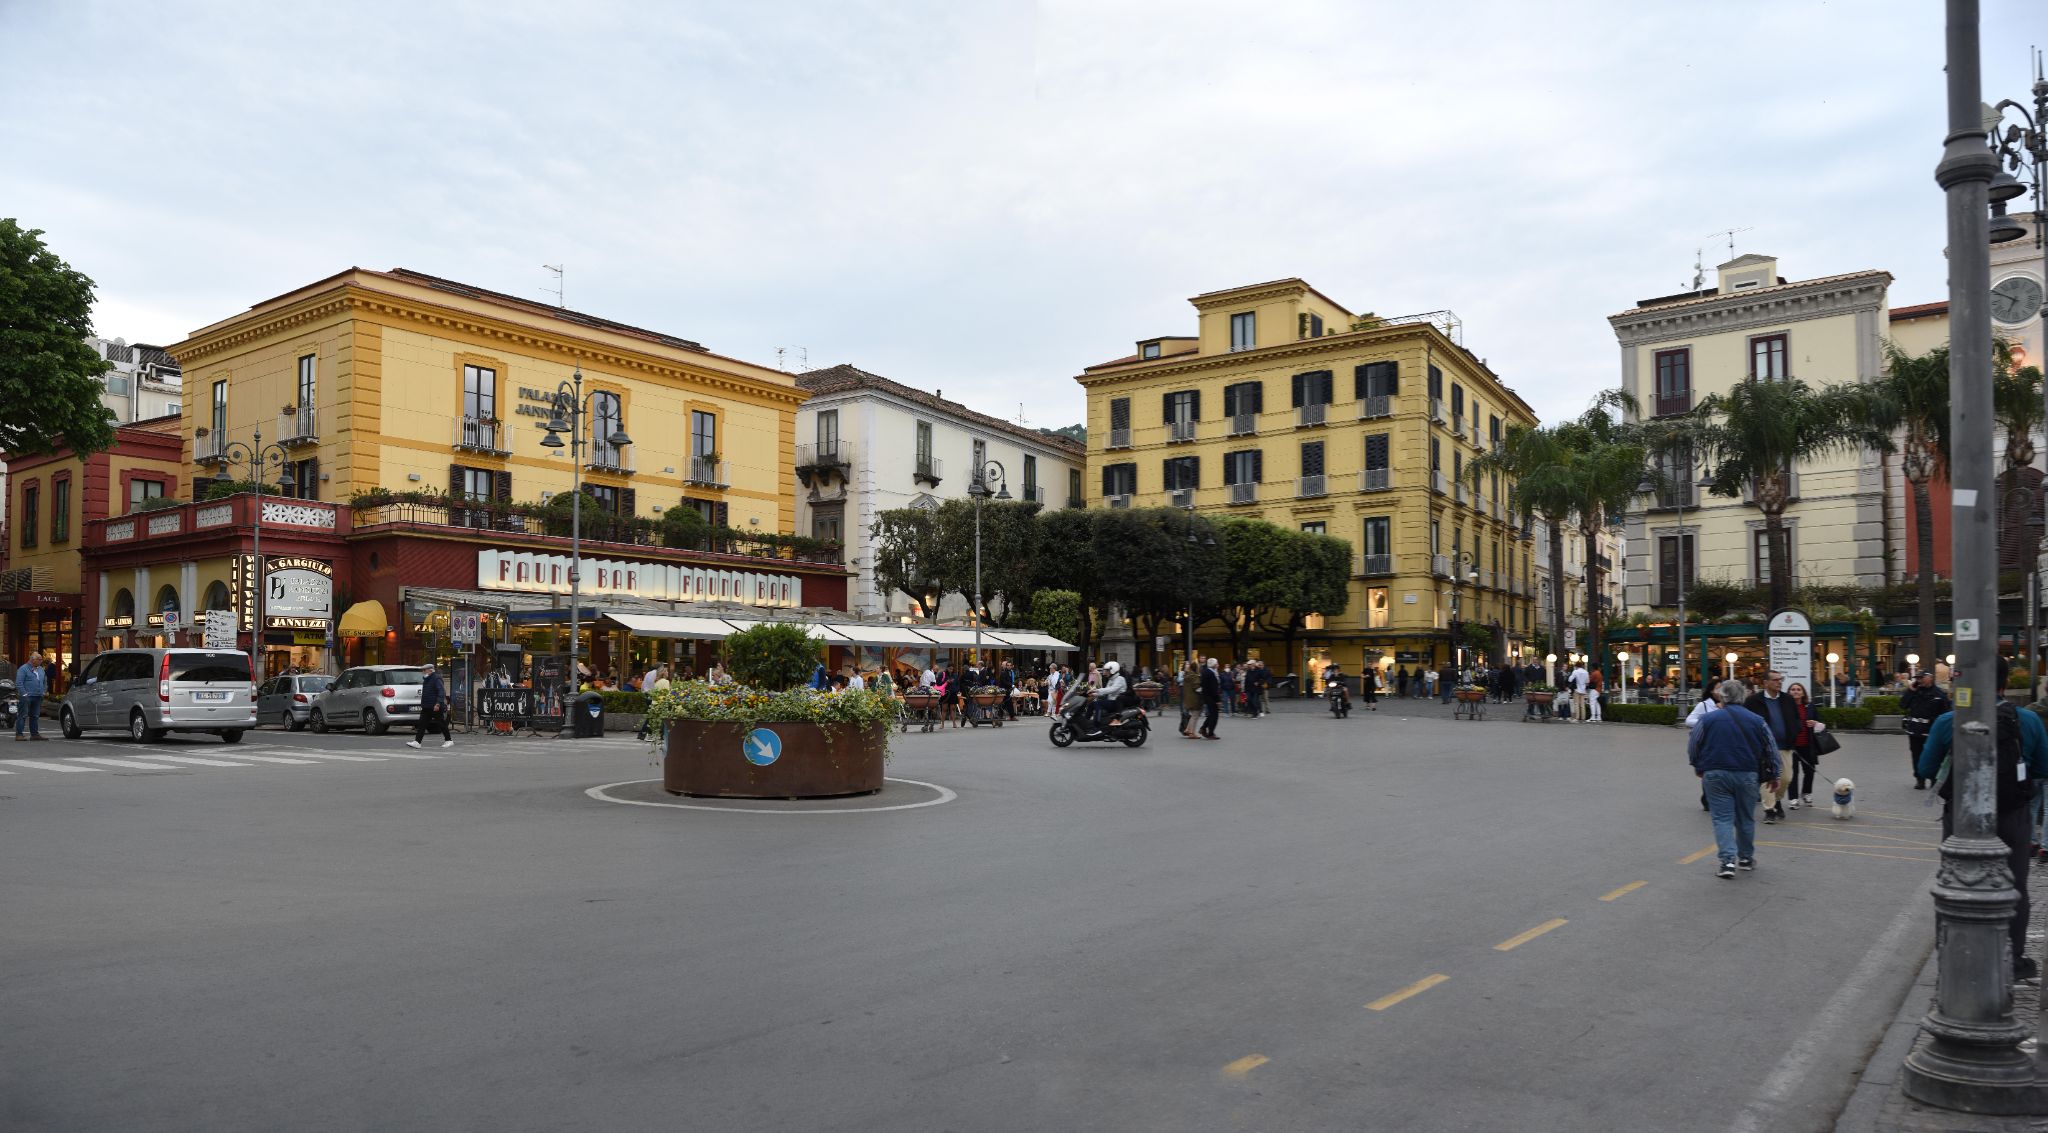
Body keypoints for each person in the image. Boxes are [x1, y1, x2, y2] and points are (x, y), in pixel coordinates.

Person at [1917, 691, 2048, 981]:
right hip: (2013, 814)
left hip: (1962, 816)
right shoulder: (2028, 719)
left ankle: (1952, 961)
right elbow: (2043, 767)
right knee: (2016, 884)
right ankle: (2013, 959)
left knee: (1954, 883)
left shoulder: (1949, 721)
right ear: (2003, 683)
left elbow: (1925, 768)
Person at [1690, 679, 1778, 879]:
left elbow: (1694, 743)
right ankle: (1745, 859)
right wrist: (1774, 774)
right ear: (1743, 696)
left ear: (1722, 696)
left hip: (1715, 773)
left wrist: (1698, 765)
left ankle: (1727, 862)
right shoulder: (1757, 720)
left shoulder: (1708, 719)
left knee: (1722, 818)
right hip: (1747, 773)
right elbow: (1771, 748)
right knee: (1745, 818)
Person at [1743, 671, 1801, 822]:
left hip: (1785, 746)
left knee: (1786, 778)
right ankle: (1769, 810)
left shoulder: (1788, 699)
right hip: (1764, 748)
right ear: (1765, 683)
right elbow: (1745, 722)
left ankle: (1777, 800)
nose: (1779, 682)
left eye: (1780, 679)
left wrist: (1794, 733)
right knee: (1767, 778)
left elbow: (1796, 719)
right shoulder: (1753, 701)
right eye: (1775, 680)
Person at [1902, 670, 1952, 790]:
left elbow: (1946, 712)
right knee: (1916, 755)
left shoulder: (1939, 694)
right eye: (1918, 678)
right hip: (1915, 730)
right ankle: (1920, 780)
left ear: (1930, 678)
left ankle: (1934, 779)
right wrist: (1910, 691)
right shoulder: (1914, 691)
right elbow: (1903, 705)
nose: (1919, 680)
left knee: (1934, 755)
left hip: (1931, 730)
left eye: (1922, 678)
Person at [1784, 682, 1822, 810]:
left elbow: (1820, 723)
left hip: (1808, 744)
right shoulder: (1785, 707)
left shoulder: (1810, 707)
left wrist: (1815, 723)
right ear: (1789, 692)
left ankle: (1806, 793)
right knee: (1792, 773)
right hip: (1792, 746)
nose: (1795, 691)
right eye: (1793, 689)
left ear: (1803, 693)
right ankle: (1793, 798)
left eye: (1798, 689)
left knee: (1810, 771)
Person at [408, 661, 453, 749]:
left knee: (441, 723)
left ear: (430, 670)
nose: (423, 672)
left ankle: (449, 740)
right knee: (422, 724)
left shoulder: (436, 678)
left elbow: (441, 691)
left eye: (424, 670)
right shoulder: (427, 679)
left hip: (434, 706)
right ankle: (417, 742)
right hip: (427, 706)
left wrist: (438, 704)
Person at [14, 652, 48, 741]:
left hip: (38, 696)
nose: (41, 661)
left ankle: (34, 734)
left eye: (41, 659)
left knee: (35, 716)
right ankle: (19, 734)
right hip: (27, 696)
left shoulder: (41, 669)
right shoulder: (23, 669)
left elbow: (44, 681)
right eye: (39, 659)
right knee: (23, 715)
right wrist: (24, 694)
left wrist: (43, 691)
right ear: (32, 660)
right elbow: (19, 683)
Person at [1090, 661, 1128, 731]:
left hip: (1116, 702)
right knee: (1092, 704)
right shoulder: (1111, 679)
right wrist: (1092, 694)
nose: (1105, 672)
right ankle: (1087, 723)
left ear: (1113, 670)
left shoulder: (1120, 679)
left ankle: (1096, 726)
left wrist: (1097, 690)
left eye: (1107, 671)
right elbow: (1105, 691)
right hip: (1110, 701)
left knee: (1098, 703)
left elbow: (1111, 689)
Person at [1198, 657, 1222, 740]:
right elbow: (1214, 688)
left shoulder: (1205, 671)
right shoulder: (1211, 673)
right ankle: (1210, 732)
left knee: (1211, 714)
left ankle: (1203, 728)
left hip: (1207, 696)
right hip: (1211, 697)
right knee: (1214, 715)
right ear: (1214, 664)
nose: (1218, 665)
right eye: (1217, 663)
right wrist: (1218, 700)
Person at [1178, 659, 1201, 738]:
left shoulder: (1187, 675)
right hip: (1194, 698)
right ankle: (1192, 733)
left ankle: (1188, 729)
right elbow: (1197, 687)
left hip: (1188, 698)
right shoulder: (1195, 676)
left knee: (1193, 715)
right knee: (1195, 715)